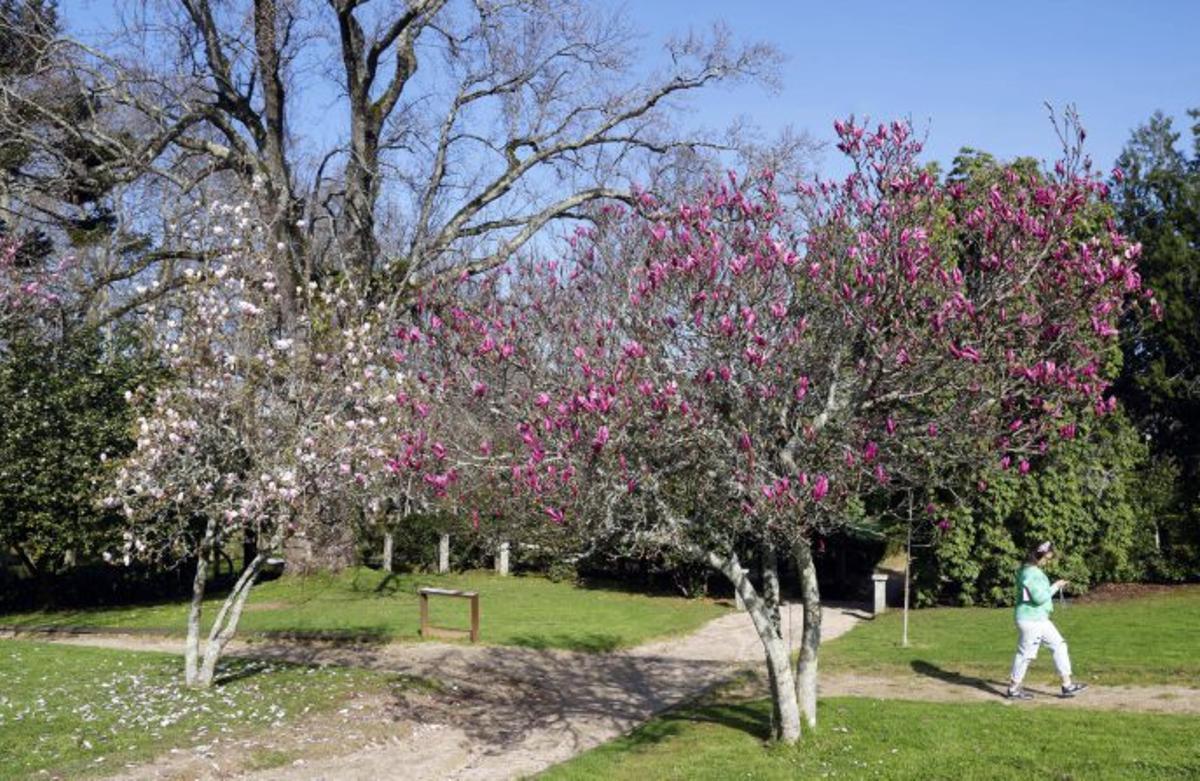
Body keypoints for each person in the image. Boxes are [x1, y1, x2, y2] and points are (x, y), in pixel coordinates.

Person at [1005, 541, 1088, 700]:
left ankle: (1067, 685)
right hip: (1031, 620)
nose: (1047, 562)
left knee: (1059, 645)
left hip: (1039, 619)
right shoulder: (1032, 573)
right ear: (1038, 555)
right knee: (1026, 655)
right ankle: (1013, 689)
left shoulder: (1026, 570)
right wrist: (1056, 586)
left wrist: (1055, 585)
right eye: (1046, 558)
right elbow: (1039, 598)